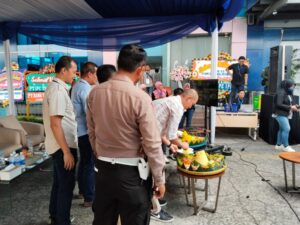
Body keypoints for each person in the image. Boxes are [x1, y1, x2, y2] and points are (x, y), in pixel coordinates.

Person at [87, 44, 165, 225]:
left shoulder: (94, 93)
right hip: (132, 175)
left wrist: (100, 155)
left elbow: (92, 132)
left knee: (103, 220)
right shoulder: (140, 97)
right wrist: (159, 178)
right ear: (139, 70)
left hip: (103, 171)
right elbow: (152, 142)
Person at [151, 89, 199, 222]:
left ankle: (152, 198)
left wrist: (169, 144)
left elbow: (160, 129)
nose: (190, 107)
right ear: (188, 98)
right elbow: (172, 135)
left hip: (147, 136)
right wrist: (183, 145)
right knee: (157, 171)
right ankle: (154, 210)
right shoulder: (178, 106)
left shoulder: (169, 101)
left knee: (150, 172)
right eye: (192, 104)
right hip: (147, 141)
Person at [43, 56, 78, 225]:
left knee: (59, 184)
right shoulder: (57, 91)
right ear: (63, 70)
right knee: (65, 187)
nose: (75, 75)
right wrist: (66, 152)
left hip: (60, 146)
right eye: (73, 71)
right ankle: (62, 221)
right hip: (62, 147)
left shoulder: (58, 88)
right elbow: (55, 124)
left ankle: (56, 216)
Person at [71, 62, 98, 208]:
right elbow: (90, 113)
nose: (97, 77)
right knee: (89, 164)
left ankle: (83, 190)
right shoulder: (85, 89)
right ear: (89, 74)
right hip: (85, 131)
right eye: (96, 74)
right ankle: (89, 197)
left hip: (80, 131)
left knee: (84, 162)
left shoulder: (78, 86)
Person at [274, 79, 299, 152]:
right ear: (287, 85)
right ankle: (286, 146)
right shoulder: (281, 93)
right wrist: (291, 107)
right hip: (280, 113)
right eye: (292, 86)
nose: (292, 87)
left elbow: (288, 104)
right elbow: (278, 104)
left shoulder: (287, 93)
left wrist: (295, 107)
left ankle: (278, 145)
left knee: (282, 129)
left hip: (284, 114)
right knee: (286, 128)